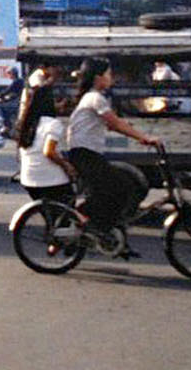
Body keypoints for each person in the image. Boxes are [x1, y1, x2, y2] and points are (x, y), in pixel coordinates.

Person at [64, 58, 161, 245]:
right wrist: (145, 137)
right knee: (120, 187)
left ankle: (92, 223)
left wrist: (138, 136)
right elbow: (115, 122)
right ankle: (95, 226)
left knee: (113, 188)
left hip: (87, 153)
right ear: (98, 78)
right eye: (108, 74)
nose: (111, 78)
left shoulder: (93, 97)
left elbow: (112, 125)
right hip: (84, 154)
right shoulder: (95, 98)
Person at [15, 68, 76, 204]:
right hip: (50, 180)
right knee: (69, 203)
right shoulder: (53, 124)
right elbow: (49, 151)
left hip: (28, 180)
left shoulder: (28, 125)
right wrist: (67, 166)